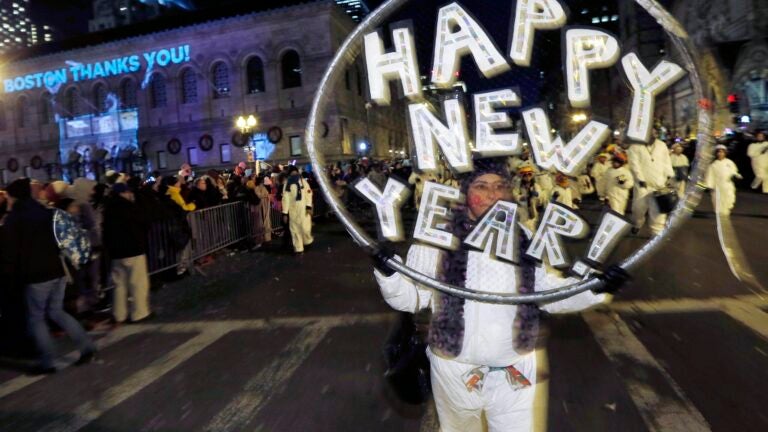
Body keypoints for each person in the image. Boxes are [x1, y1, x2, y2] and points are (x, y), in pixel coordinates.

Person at [372, 159, 626, 432]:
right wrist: (389, 275)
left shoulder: (525, 236)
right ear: (465, 192)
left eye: (499, 186)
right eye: (481, 186)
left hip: (515, 369)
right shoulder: (437, 238)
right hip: (454, 371)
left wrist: (594, 289)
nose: (492, 195)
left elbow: (548, 293)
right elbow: (411, 299)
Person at [1, 179, 96, 373]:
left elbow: (10, 253)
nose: (7, 200)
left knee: (36, 318)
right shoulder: (45, 212)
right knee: (57, 312)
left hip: (36, 276)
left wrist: (9, 275)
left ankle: (48, 361)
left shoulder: (14, 219)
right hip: (57, 270)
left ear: (15, 196)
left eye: (9, 197)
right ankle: (87, 347)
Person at [103, 182, 152, 325]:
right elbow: (144, 221)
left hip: (116, 252)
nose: (130, 194)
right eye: (128, 192)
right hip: (134, 249)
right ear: (123, 193)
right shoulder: (129, 207)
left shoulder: (108, 208)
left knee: (119, 285)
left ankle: (119, 314)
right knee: (137, 283)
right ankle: (139, 313)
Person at [627, 129, 675, 235]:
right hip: (642, 186)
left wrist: (670, 176)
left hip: (659, 185)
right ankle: (637, 224)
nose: (652, 135)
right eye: (649, 132)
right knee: (638, 209)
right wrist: (640, 179)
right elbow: (634, 165)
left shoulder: (662, 145)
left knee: (658, 210)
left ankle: (657, 232)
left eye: (655, 133)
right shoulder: (635, 146)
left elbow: (666, 161)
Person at [282, 166, 313, 254]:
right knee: (295, 230)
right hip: (293, 210)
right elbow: (285, 199)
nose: (294, 174)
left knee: (305, 228)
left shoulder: (303, 182)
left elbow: (308, 193)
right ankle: (298, 248)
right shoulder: (287, 184)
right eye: (292, 173)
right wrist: (285, 213)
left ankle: (307, 241)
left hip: (303, 209)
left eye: (295, 173)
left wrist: (308, 206)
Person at [706, 145, 742, 216]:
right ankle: (721, 213)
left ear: (725, 153)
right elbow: (710, 176)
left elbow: (734, 172)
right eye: (719, 152)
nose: (720, 154)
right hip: (717, 185)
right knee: (718, 200)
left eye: (722, 152)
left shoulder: (729, 162)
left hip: (727, 185)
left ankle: (726, 210)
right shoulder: (713, 165)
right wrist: (709, 186)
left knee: (729, 199)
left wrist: (736, 176)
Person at [511, 165, 541, 231]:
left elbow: (540, 195)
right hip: (523, 208)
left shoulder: (535, 185)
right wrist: (521, 197)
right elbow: (515, 194)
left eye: (529, 174)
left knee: (535, 224)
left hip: (533, 207)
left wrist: (536, 194)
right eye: (525, 175)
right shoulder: (519, 185)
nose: (527, 176)